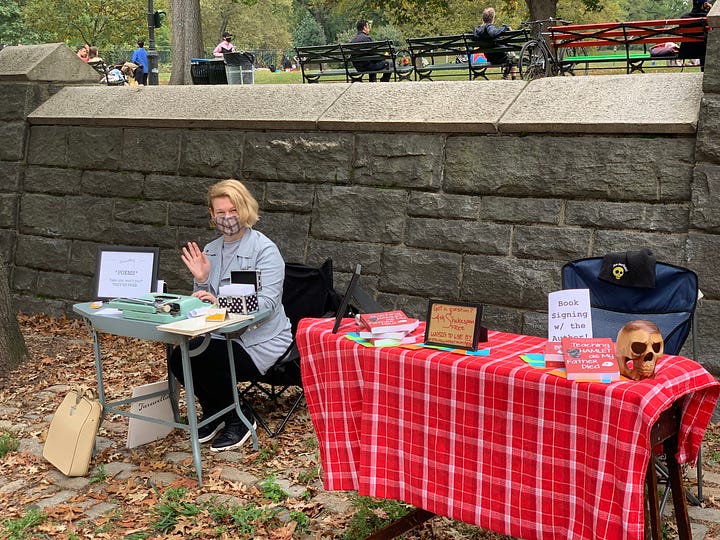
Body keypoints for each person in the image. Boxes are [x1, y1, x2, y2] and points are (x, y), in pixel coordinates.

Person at [169, 179, 292, 452]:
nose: (227, 218)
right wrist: (201, 282)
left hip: (260, 341)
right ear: (212, 215)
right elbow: (205, 304)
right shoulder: (210, 250)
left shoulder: (265, 250)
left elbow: (268, 304)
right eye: (220, 212)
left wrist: (222, 302)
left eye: (232, 210)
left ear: (245, 209)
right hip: (220, 335)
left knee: (207, 357)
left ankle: (239, 418)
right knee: (180, 356)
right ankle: (217, 413)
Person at [472, 7, 517, 80]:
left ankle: (505, 75)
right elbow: (493, 33)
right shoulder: (489, 26)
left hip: (490, 57)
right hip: (499, 57)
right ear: (492, 18)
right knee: (513, 56)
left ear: (483, 18)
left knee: (509, 54)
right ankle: (513, 79)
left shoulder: (478, 30)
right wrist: (505, 27)